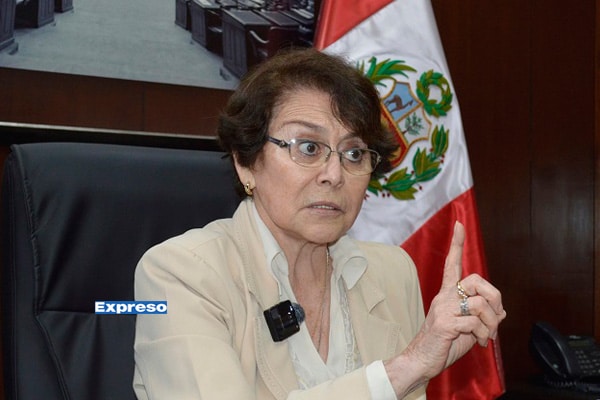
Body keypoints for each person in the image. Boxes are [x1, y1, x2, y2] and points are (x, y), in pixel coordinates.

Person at [132, 47, 506, 400]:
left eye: (354, 153)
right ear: (246, 163)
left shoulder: (393, 273)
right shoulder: (178, 274)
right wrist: (408, 366)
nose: (334, 174)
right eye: (309, 148)